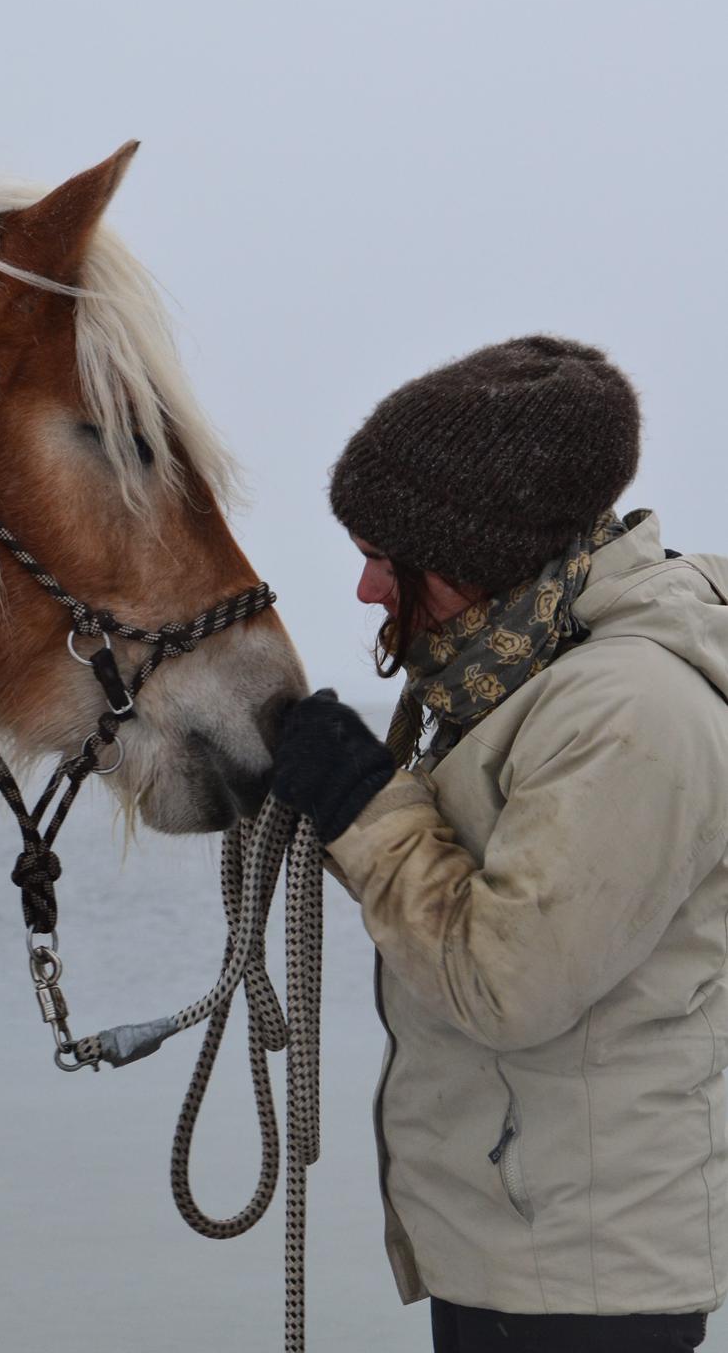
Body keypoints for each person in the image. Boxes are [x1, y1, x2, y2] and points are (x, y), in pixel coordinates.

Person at [271, 336, 728, 1353]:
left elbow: (504, 982)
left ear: (474, 553)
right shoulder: (519, 677)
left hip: (583, 1285)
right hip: (529, 1250)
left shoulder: (627, 710)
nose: (366, 590)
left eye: (385, 556)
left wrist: (363, 804)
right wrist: (349, 802)